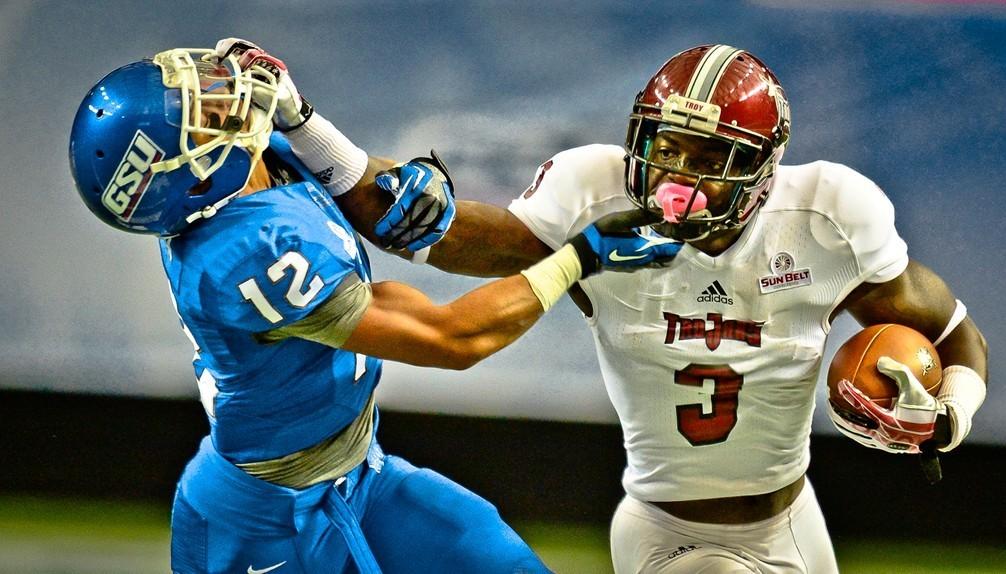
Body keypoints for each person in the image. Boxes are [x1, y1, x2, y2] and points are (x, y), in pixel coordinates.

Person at [335, 44, 990, 572]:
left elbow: (958, 337)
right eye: (666, 148)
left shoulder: (827, 218)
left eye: (710, 159)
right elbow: (436, 230)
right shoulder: (595, 206)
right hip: (672, 536)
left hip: (796, 520)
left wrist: (944, 418)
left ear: (761, 170)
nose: (678, 176)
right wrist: (316, 145)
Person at [67, 41, 682, 574]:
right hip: (264, 522)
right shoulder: (241, 254)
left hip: (364, 474)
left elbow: (373, 198)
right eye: (199, 116)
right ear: (190, 175)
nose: (221, 96)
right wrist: (582, 256)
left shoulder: (249, 167)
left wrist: (304, 119)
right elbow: (450, 338)